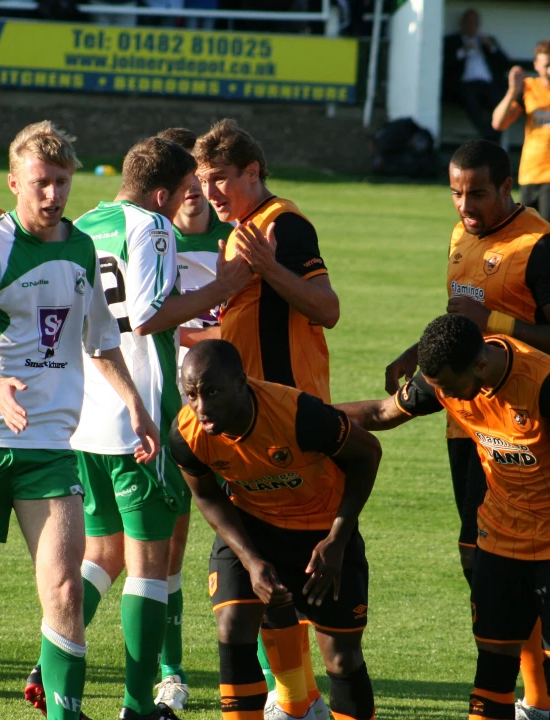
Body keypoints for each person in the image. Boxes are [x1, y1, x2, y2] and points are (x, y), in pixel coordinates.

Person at [25, 135, 251, 720]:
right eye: (181, 193)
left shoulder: (87, 222)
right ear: (161, 193)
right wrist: (222, 289)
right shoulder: (150, 227)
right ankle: (137, 706)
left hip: (81, 419)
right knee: (150, 566)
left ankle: (58, 690)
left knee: (97, 554)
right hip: (139, 419)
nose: (186, 204)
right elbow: (147, 316)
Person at [0, 120, 158, 720]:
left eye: (61, 183)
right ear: (14, 182)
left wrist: (136, 404)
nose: (52, 195)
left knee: (64, 589)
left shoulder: (81, 245)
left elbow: (101, 339)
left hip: (49, 446)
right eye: (40, 183)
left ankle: (64, 713)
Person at [384, 139, 550, 719]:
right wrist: (417, 353)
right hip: (469, 426)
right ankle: (522, 692)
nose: (464, 205)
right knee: (480, 560)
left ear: (507, 187)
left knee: (530, 560)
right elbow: (460, 318)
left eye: (476, 193)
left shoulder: (538, 246)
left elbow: (495, 324)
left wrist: (499, 321)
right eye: (455, 192)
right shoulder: (461, 236)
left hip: (530, 429)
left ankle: (538, 697)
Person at [194, 118, 340, 719]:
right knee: (264, 571)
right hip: (245, 424)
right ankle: (298, 699)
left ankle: (303, 698)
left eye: (221, 179)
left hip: (291, 422)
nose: (210, 193)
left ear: (253, 172)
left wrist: (270, 266)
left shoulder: (283, 227)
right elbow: (253, 316)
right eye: (203, 181)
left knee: (290, 571)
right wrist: (204, 334)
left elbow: (326, 308)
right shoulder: (239, 231)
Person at [345, 312, 550, 720]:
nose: (447, 398)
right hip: (499, 545)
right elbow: (382, 414)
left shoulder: (541, 384)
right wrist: (299, 415)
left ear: (478, 365)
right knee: (492, 673)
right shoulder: (447, 378)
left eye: (451, 389)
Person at [168, 339, 382, 720]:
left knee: (342, 657)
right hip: (252, 525)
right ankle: (292, 705)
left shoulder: (298, 414)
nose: (201, 407)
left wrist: (337, 539)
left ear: (241, 382)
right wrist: (251, 561)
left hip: (322, 529)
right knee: (233, 627)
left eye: (212, 392)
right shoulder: (186, 434)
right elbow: (206, 496)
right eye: (191, 395)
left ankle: (306, 705)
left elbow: (367, 453)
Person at [151, 126, 233, 711]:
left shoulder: (239, 239)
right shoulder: (152, 245)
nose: (194, 193)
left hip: (240, 409)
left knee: (253, 531)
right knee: (172, 541)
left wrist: (211, 331)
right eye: (184, 184)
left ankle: (271, 671)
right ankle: (171, 669)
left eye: (202, 181)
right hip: (175, 413)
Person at [492, 39, 550, 221]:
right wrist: (512, 91)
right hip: (530, 172)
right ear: (537, 65)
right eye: (547, 65)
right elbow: (498, 123)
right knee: (526, 237)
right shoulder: (529, 88)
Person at [443, 8, 509, 143]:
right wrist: (462, 51)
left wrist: (491, 48)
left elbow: (505, 64)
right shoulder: (452, 41)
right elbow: (445, 63)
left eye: (474, 22)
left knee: (500, 102)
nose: (472, 25)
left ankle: (492, 136)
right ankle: (489, 136)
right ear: (462, 24)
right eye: (468, 22)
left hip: (488, 84)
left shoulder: (487, 41)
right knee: (470, 99)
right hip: (465, 85)